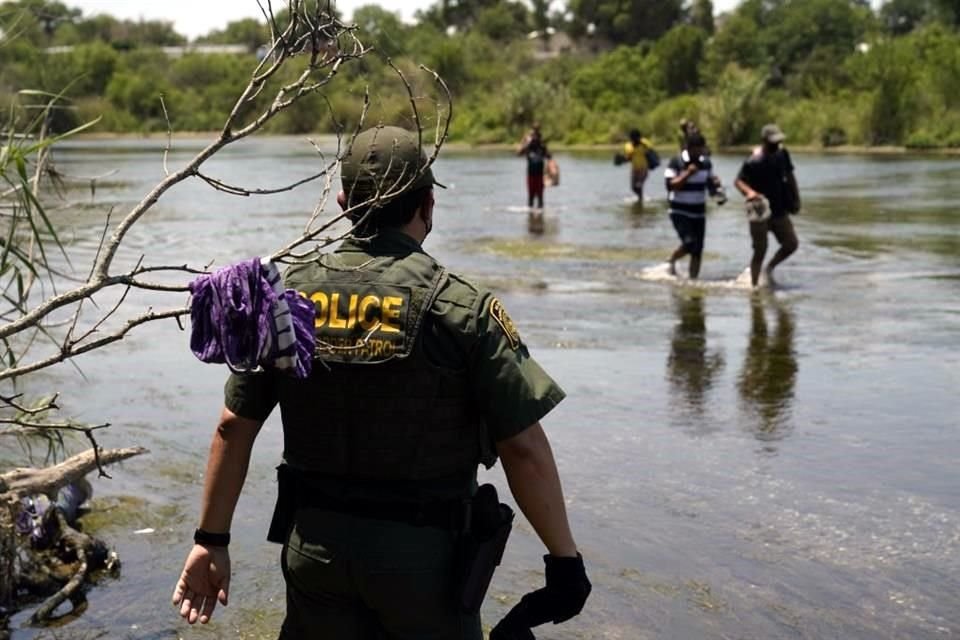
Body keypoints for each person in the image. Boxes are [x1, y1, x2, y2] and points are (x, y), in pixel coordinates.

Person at [172, 125, 591, 639]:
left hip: (315, 554)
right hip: (426, 567)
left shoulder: (285, 299)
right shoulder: (462, 307)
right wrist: (563, 560)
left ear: (345, 203)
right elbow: (522, 447)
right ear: (429, 206)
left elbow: (232, 427)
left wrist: (210, 539)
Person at [734, 123, 801, 287]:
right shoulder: (752, 161)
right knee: (760, 251)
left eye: (777, 142)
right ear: (764, 141)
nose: (776, 145)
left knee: (791, 244)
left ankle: (769, 268)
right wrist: (749, 192)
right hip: (759, 210)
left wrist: (796, 198)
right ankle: (754, 287)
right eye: (772, 143)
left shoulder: (783, 154)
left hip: (779, 209)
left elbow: (790, 176)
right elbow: (738, 181)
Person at [664, 131, 724, 279]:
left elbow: (710, 186)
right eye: (695, 149)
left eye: (701, 149)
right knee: (689, 243)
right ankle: (671, 260)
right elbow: (670, 186)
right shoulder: (676, 162)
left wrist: (717, 191)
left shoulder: (706, 163)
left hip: (699, 211)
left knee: (698, 250)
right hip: (679, 210)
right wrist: (687, 174)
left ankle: (693, 280)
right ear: (688, 148)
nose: (698, 152)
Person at [516, 122, 551, 210]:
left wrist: (543, 147)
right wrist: (527, 144)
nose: (535, 137)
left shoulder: (541, 145)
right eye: (534, 134)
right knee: (530, 197)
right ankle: (531, 219)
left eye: (537, 134)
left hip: (539, 174)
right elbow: (518, 153)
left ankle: (539, 217)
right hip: (530, 174)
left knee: (540, 198)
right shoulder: (528, 144)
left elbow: (549, 157)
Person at [621, 128, 656, 203]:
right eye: (633, 138)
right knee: (633, 187)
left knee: (639, 185)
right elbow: (628, 158)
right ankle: (641, 198)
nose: (636, 140)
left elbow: (651, 152)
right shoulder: (628, 146)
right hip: (634, 169)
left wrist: (644, 146)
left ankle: (640, 201)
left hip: (644, 169)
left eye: (637, 138)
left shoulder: (645, 144)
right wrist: (622, 159)